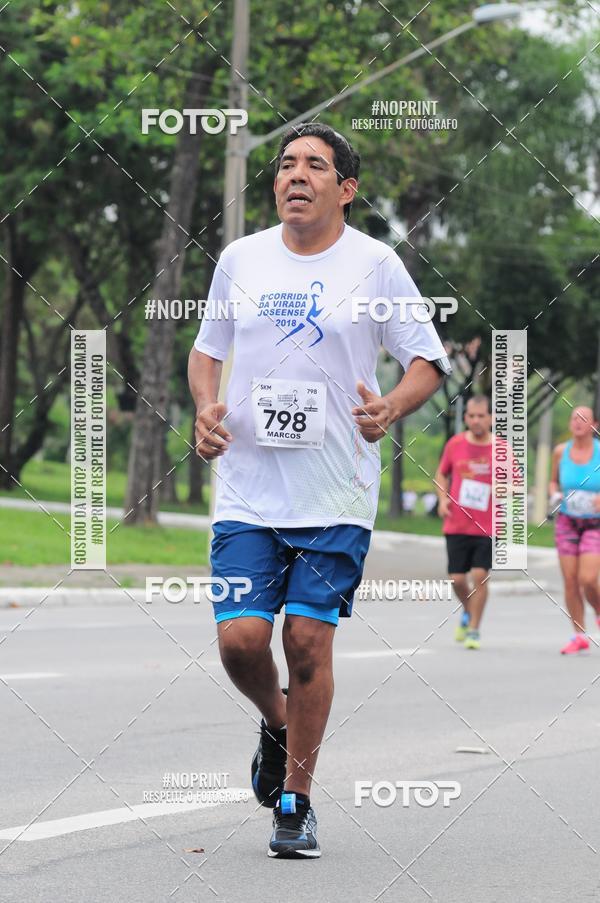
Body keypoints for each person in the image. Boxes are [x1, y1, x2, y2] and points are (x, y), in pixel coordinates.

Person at [187, 122, 450, 859]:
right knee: (241, 641)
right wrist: (205, 408)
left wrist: (391, 408)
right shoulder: (242, 258)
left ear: (347, 187)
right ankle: (276, 721)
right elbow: (206, 351)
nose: (295, 175)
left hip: (335, 492)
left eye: (314, 165)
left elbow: (426, 359)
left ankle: (295, 802)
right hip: (247, 488)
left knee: (306, 640)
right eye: (285, 164)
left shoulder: (375, 265)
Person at [434, 396, 493, 650]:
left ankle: (474, 630)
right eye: (471, 416)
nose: (476, 420)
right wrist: (442, 499)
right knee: (457, 579)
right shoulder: (455, 444)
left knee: (480, 575)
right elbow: (441, 474)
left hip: (486, 526)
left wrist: (504, 488)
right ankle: (469, 611)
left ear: (490, 418)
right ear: (466, 417)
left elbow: (516, 482)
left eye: (481, 416)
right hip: (457, 523)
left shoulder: (501, 449)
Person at [549, 406, 600, 654]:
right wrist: (554, 494)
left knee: (588, 579)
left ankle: (598, 611)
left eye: (584, 419)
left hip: (595, 523)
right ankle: (579, 634)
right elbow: (552, 481)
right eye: (574, 418)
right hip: (568, 520)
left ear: (594, 425)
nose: (578, 423)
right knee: (570, 581)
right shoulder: (561, 452)